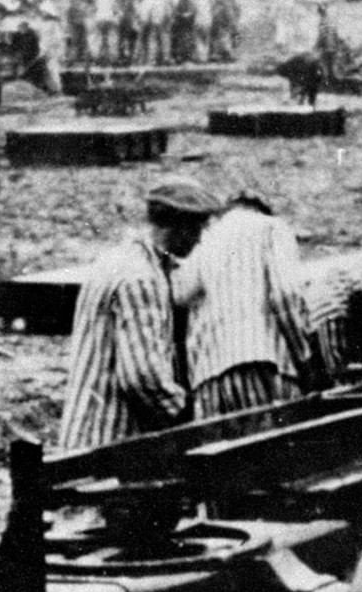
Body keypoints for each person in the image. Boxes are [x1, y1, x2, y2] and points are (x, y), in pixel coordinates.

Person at [57, 175, 221, 451]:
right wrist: (189, 420)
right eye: (196, 228)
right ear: (178, 225)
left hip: (85, 434)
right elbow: (143, 378)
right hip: (110, 441)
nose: (199, 238)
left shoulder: (117, 259)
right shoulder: (141, 278)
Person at [176, 192, 312, 418]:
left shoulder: (203, 239)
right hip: (264, 364)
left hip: (207, 380)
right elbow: (285, 295)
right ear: (262, 208)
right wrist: (303, 357)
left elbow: (180, 297)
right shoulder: (271, 227)